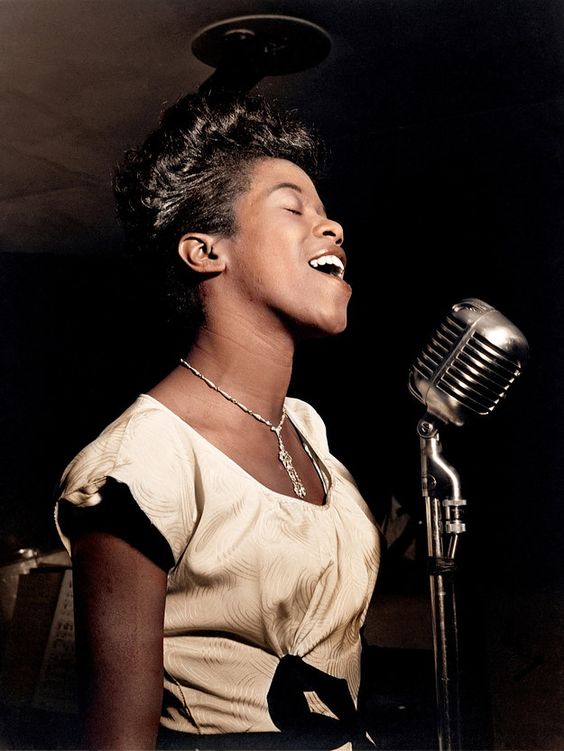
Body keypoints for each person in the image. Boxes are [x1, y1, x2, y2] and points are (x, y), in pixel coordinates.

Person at [55, 91, 383, 751]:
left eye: (325, 212)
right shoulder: (142, 465)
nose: (332, 227)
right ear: (205, 251)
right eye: (292, 208)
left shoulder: (307, 433)